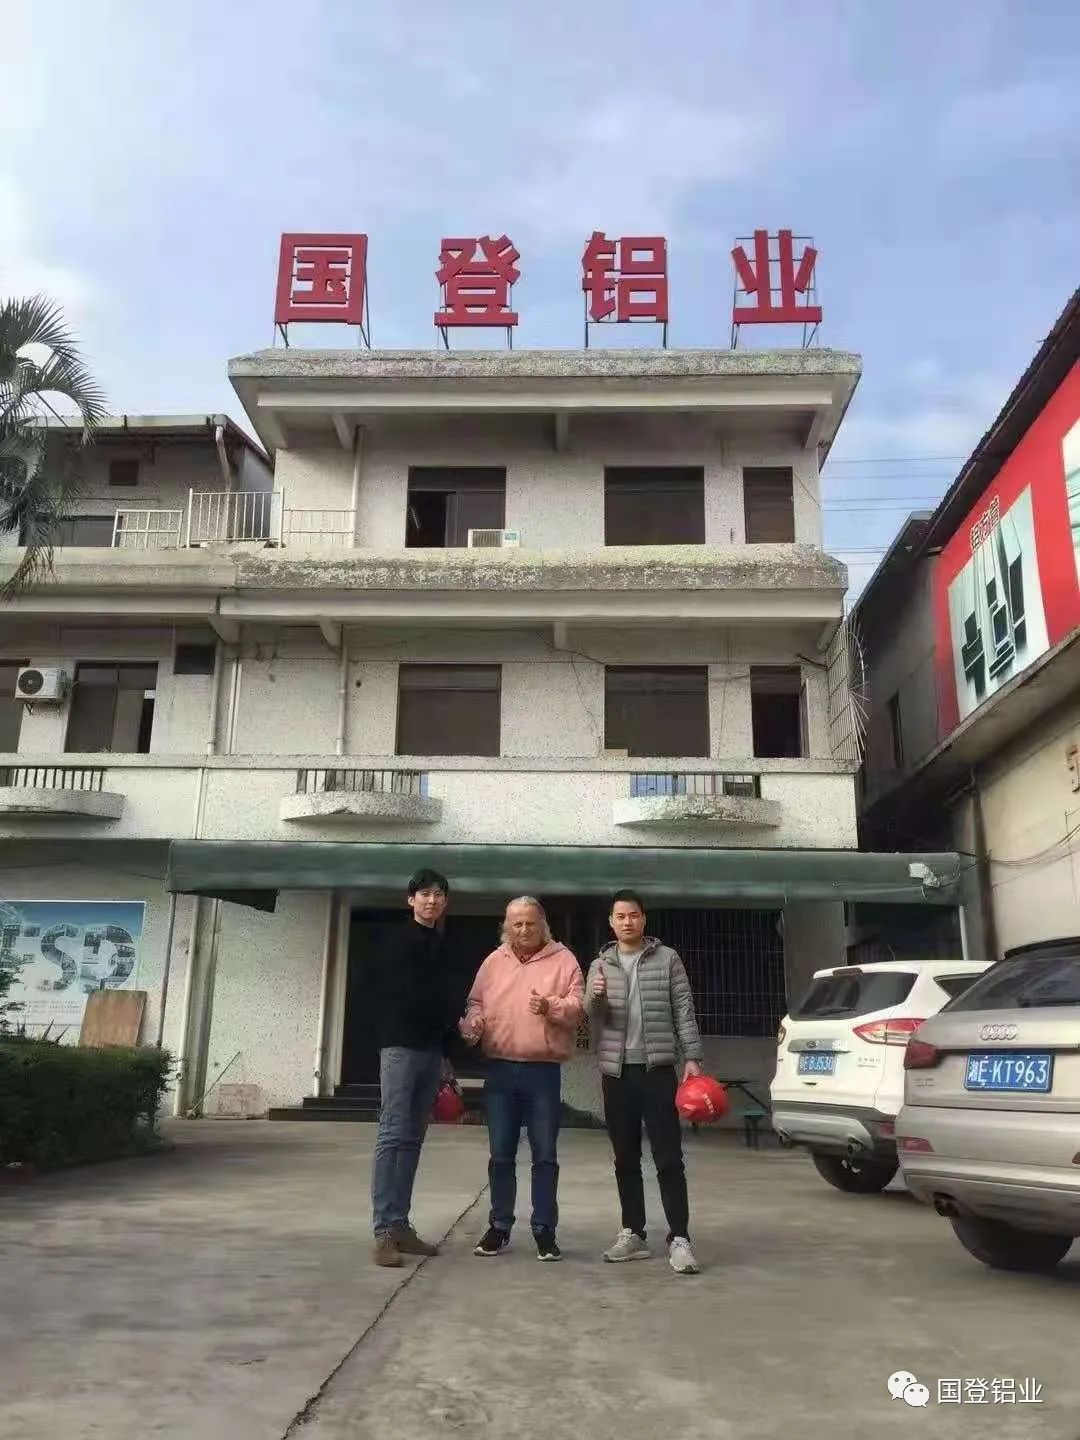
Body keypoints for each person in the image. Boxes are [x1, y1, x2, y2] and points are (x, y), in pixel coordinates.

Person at [585, 890, 705, 1275]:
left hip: (657, 1070)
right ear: (611, 922)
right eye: (620, 916)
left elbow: (683, 1010)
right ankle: (633, 1232)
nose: (627, 922)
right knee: (625, 1157)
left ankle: (680, 1238)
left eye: (633, 915)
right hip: (617, 1073)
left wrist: (693, 1057)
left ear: (644, 919)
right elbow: (593, 1015)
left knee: (668, 1156)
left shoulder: (667, 959)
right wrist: (596, 998)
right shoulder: (600, 964)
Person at [460, 897, 584, 1261]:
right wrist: (473, 1024)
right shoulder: (493, 961)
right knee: (500, 1154)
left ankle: (544, 1230)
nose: (524, 930)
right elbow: (475, 1003)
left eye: (530, 923)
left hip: (543, 1071)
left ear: (543, 925)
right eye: (517, 924)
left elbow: (579, 1007)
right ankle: (499, 1226)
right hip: (499, 1070)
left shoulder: (564, 960)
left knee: (545, 1155)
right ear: (506, 927)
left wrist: (550, 1006)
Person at [370, 868, 458, 1268]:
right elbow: (395, 995)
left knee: (413, 1138)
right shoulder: (396, 942)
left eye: (438, 894)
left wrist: (447, 1050)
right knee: (392, 1134)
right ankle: (384, 1232)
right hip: (400, 1048)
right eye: (424, 894)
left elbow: (444, 1000)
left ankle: (400, 1224)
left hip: (430, 1051)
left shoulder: (441, 944)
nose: (431, 900)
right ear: (411, 900)